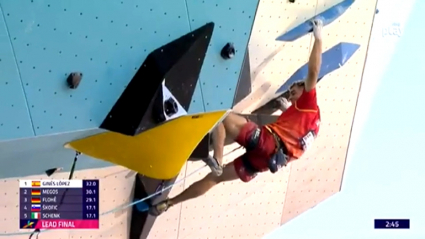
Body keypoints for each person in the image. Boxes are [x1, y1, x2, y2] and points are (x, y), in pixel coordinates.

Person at [148, 19, 323, 216]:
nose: (290, 95)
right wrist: (285, 110)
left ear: (304, 89)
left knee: (223, 116)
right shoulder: (312, 127)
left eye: (294, 91)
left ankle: (218, 158)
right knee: (214, 179)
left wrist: (318, 38)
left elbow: (313, 71)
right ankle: (169, 203)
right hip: (264, 164)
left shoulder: (310, 104)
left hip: (265, 143)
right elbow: (292, 139)